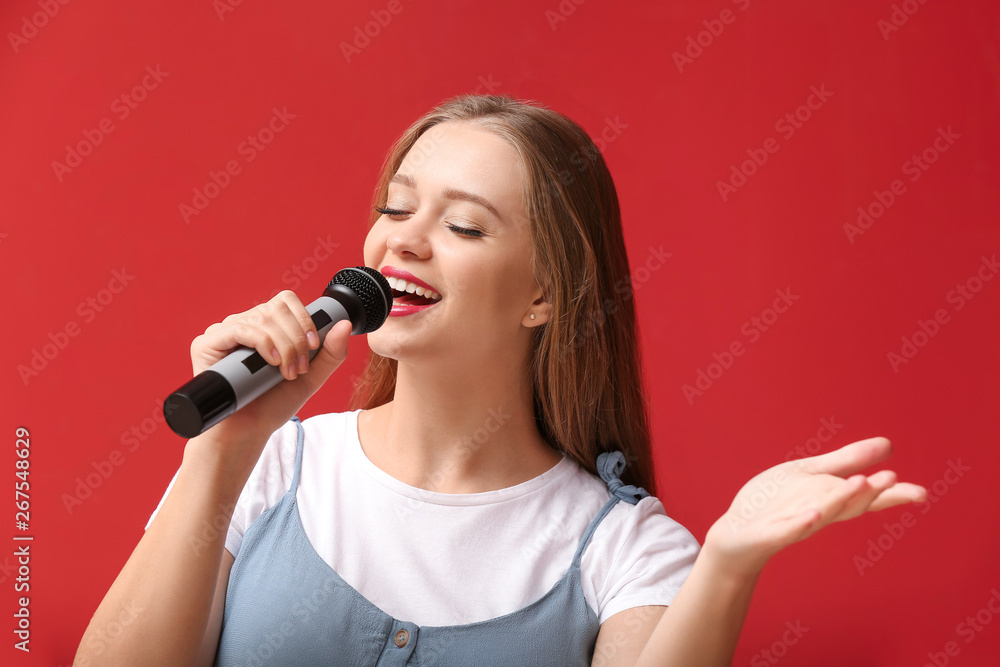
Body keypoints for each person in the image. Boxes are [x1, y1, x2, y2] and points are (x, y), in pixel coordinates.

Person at [75, 94, 928, 667]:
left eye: (464, 226)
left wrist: (729, 567)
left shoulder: (626, 549)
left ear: (544, 295)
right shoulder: (268, 467)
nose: (403, 240)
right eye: (396, 207)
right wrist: (217, 457)